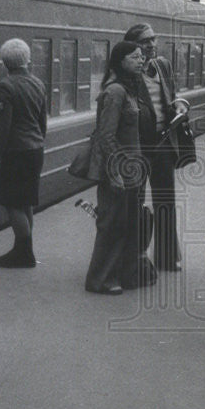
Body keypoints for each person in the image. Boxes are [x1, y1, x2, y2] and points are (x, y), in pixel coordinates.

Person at [84, 41, 153, 295]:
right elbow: (106, 135)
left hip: (134, 169)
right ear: (120, 61)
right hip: (120, 169)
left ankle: (124, 274)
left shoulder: (130, 89)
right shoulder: (115, 92)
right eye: (135, 57)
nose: (141, 60)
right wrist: (116, 171)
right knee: (112, 224)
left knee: (129, 223)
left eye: (141, 57)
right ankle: (100, 280)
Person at [124, 23, 189, 271]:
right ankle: (135, 257)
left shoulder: (163, 65)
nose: (151, 45)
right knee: (136, 202)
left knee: (165, 202)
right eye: (144, 41)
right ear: (133, 47)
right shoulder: (129, 71)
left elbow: (174, 96)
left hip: (163, 142)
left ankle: (167, 257)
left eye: (153, 39)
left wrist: (180, 106)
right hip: (139, 147)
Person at [0, 38, 48, 268]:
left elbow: (2, 128)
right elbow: (42, 122)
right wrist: (37, 141)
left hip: (15, 152)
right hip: (35, 150)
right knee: (26, 203)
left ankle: (23, 253)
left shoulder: (6, 86)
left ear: (5, 62)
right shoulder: (37, 83)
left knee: (12, 202)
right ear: (27, 59)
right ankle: (23, 249)